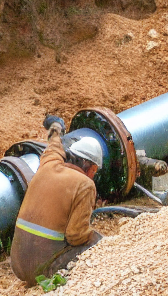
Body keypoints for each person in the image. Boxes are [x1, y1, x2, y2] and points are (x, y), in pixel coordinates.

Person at [10, 116, 104, 283]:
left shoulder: (48, 165)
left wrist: (56, 129)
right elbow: (76, 235)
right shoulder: (85, 184)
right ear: (93, 168)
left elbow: (53, 148)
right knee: (97, 243)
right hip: (42, 269)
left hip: (17, 265)